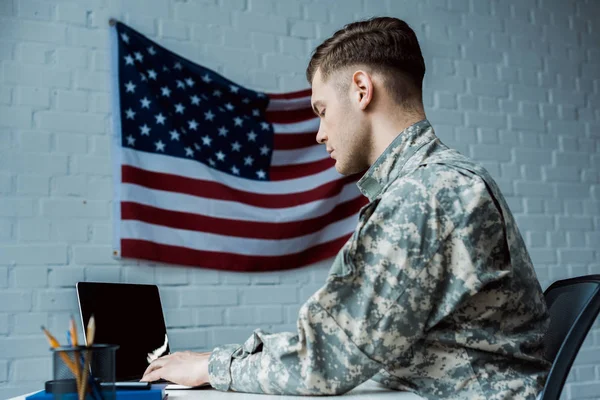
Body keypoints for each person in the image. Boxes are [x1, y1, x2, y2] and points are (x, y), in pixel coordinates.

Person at [141, 16, 551, 399]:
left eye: (321, 110)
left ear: (361, 89)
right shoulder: (432, 185)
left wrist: (214, 367)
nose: (320, 133)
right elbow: (345, 342)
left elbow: (328, 361)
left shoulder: (428, 192)